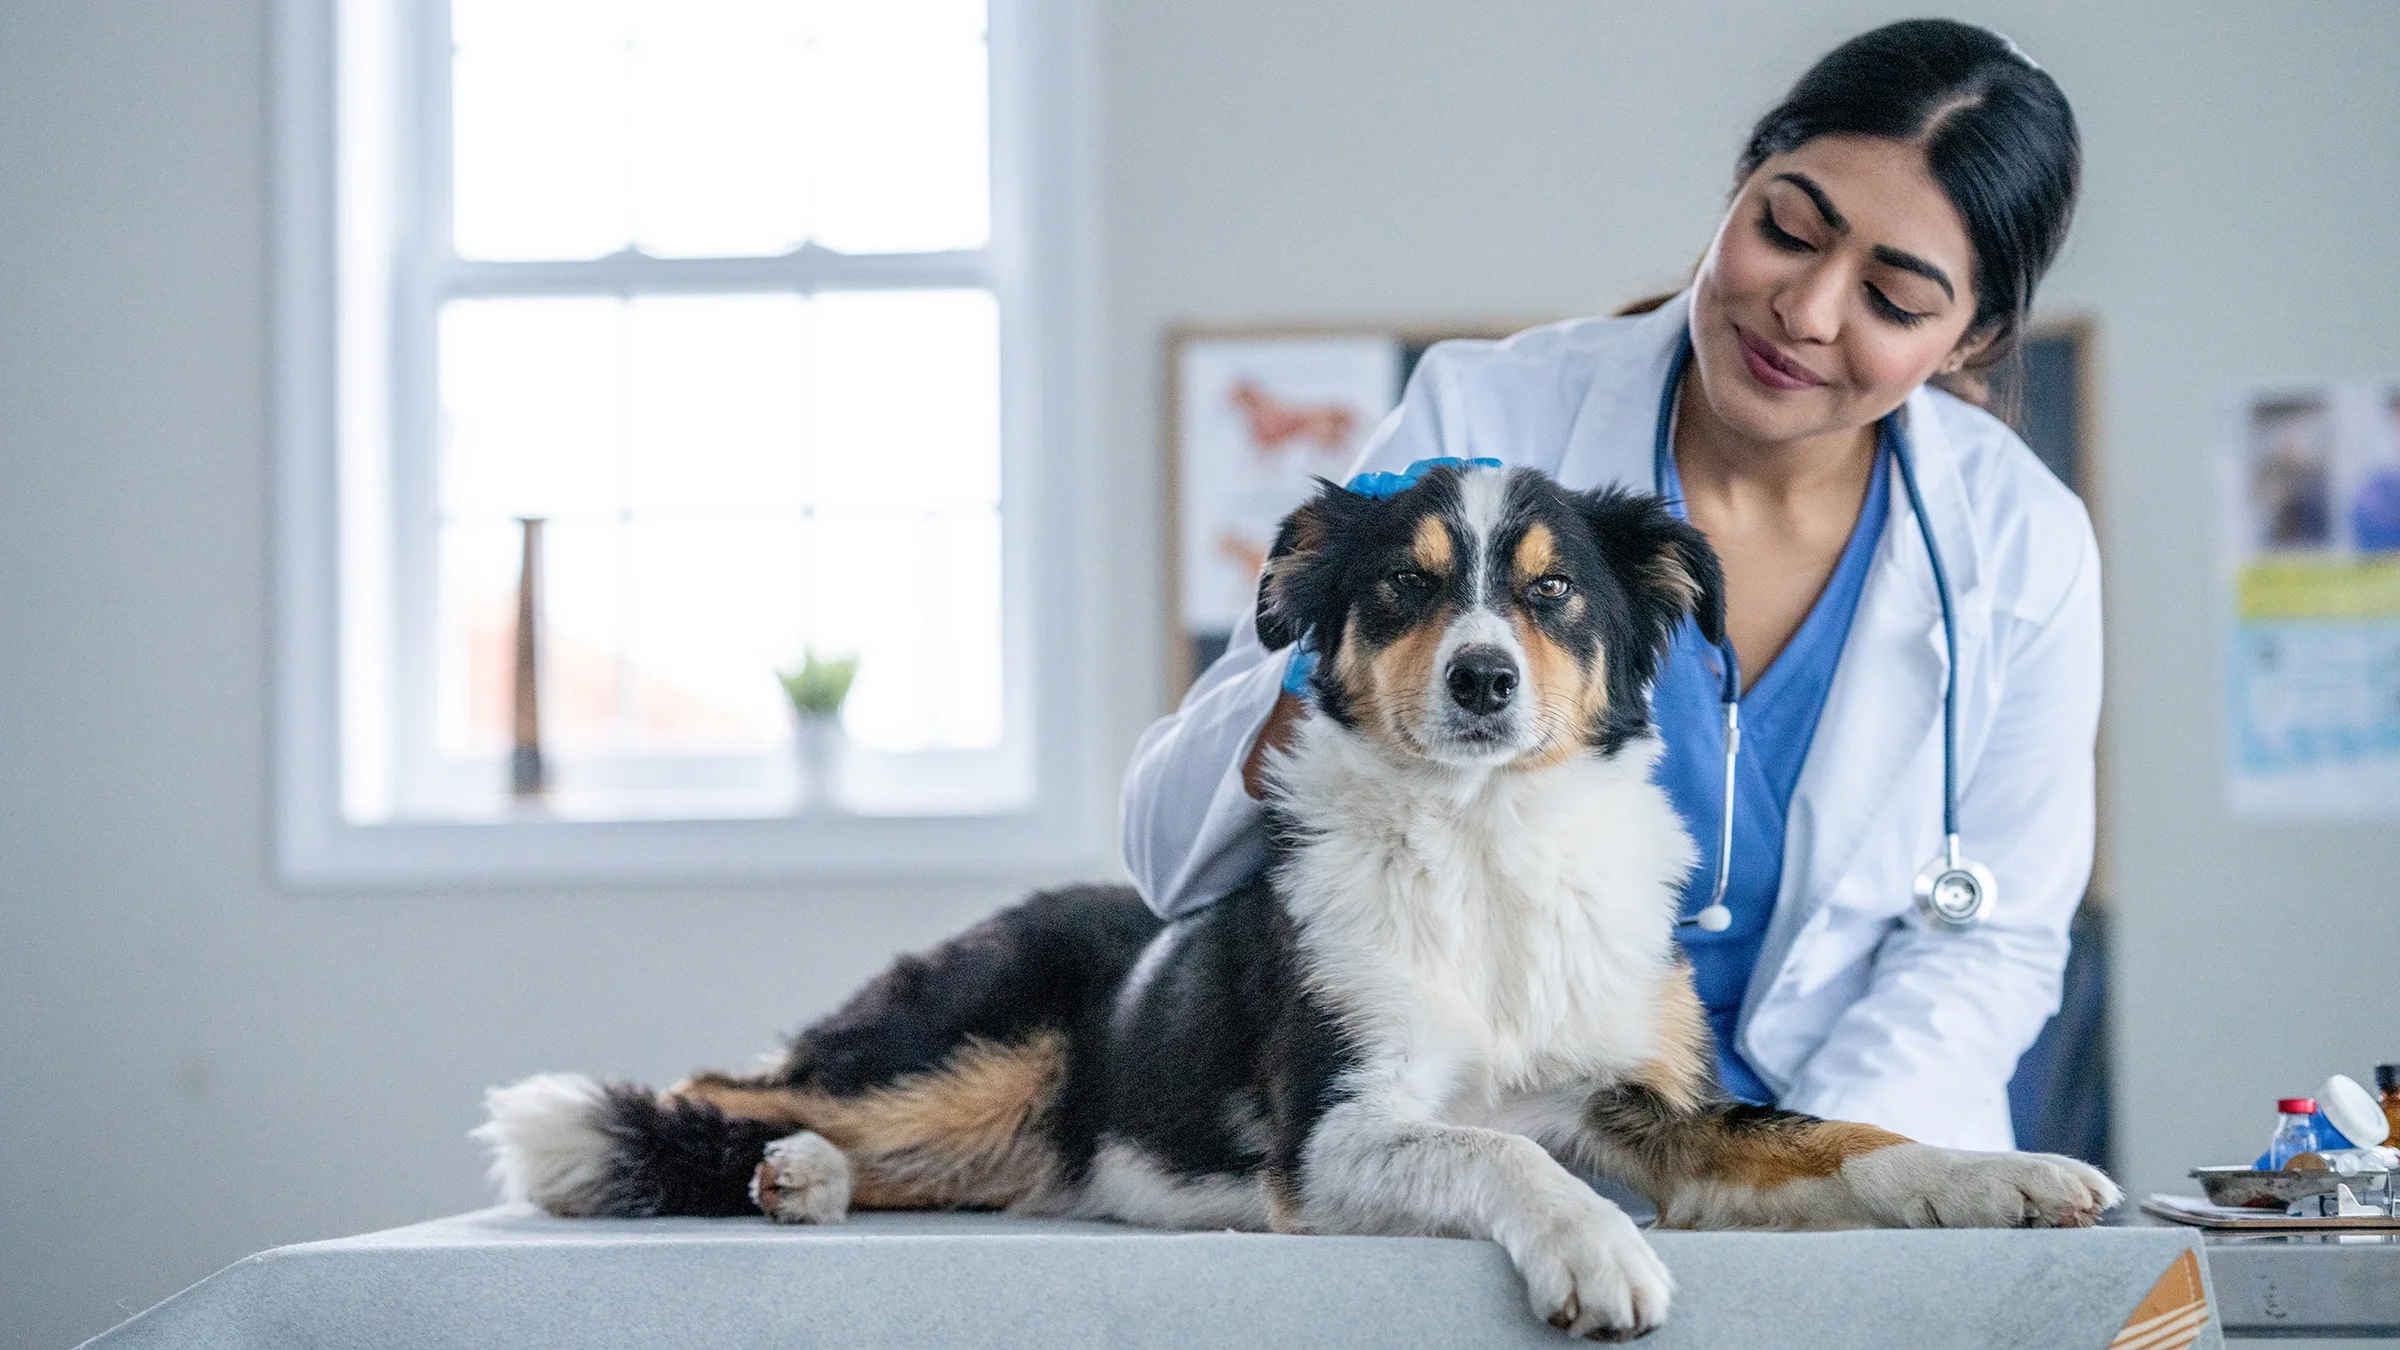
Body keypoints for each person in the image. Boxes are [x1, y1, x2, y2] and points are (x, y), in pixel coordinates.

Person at [1120, 19, 2093, 1150]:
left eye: (1894, 300)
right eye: (1786, 228)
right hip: (1497, 1145)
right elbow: (1170, 851)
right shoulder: (1488, 422)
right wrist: (1342, 614)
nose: (1808, 311)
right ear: (1740, 185)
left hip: (1846, 1147)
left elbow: (1991, 941)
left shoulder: (2022, 549)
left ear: (1973, 339)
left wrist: (1802, 1179)